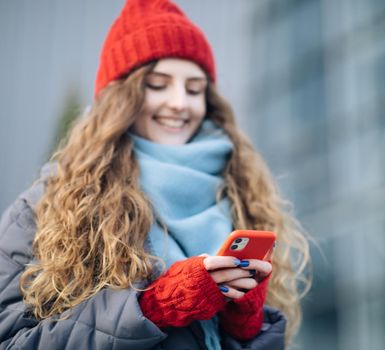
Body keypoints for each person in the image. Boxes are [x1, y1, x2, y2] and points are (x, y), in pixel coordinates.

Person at [0, 0, 310, 349]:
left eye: (194, 89)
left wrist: (247, 327)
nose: (179, 102)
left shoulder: (240, 191)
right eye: (158, 85)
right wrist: (152, 307)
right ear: (121, 98)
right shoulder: (47, 205)